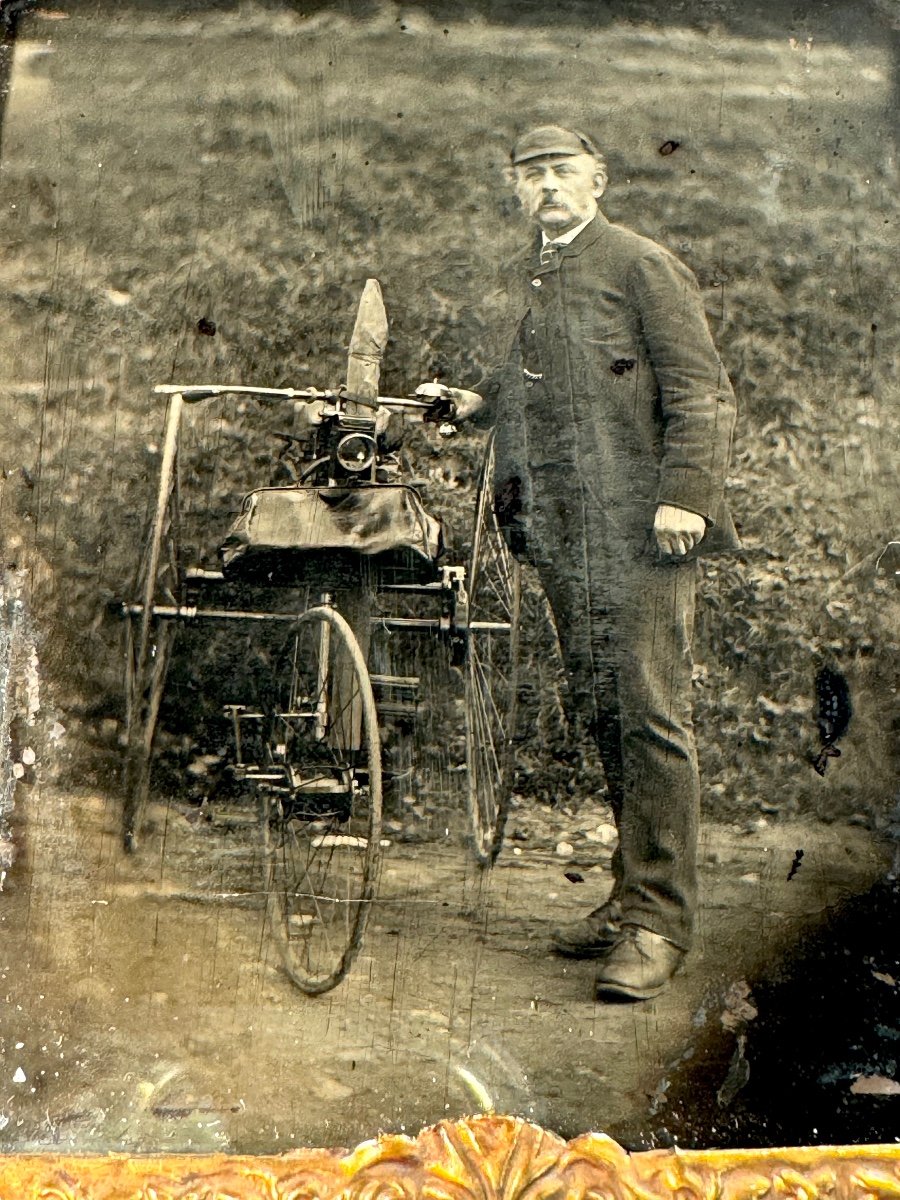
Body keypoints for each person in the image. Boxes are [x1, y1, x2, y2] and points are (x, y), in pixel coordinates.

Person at [420, 125, 738, 1001]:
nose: (548, 186)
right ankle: (627, 893)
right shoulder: (530, 270)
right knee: (603, 707)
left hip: (642, 527)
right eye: (532, 176)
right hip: (563, 531)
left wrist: (688, 496)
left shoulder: (640, 263)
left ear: (597, 180)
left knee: (649, 713)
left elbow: (701, 387)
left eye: (563, 172)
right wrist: (475, 401)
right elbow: (537, 377)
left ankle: (659, 923)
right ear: (516, 190)